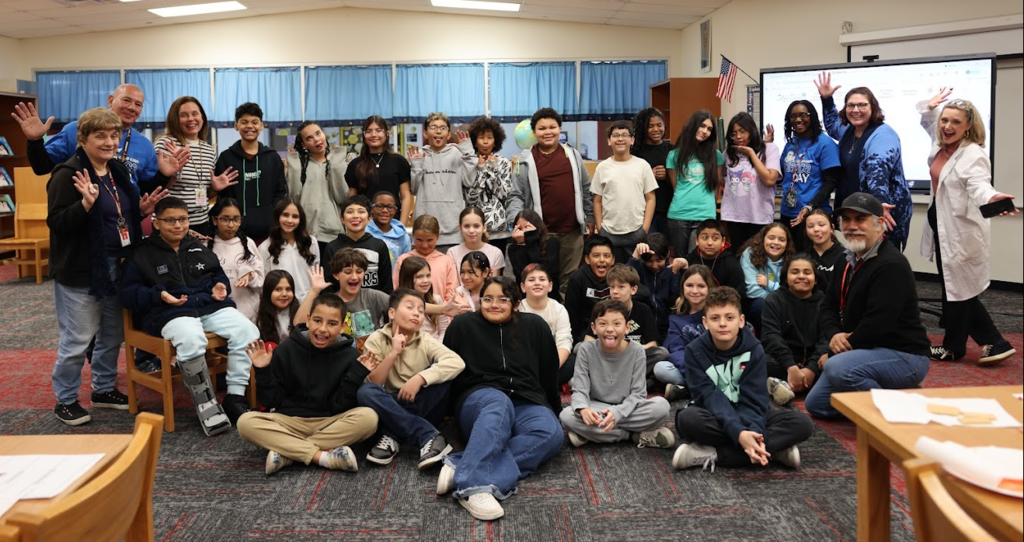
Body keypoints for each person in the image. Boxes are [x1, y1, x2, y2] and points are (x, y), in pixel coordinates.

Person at [47, 107, 167, 425]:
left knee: (113, 335)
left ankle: (102, 389)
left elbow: (118, 215)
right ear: (82, 139)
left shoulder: (116, 170)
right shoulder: (67, 173)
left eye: (114, 135)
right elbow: (57, 224)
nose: (109, 142)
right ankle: (66, 399)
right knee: (78, 338)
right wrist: (84, 205)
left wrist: (139, 209)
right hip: (82, 271)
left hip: (120, 265)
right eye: (100, 135)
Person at [120, 196, 260, 434]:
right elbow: (128, 294)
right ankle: (206, 402)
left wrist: (220, 287)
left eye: (183, 220)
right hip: (168, 313)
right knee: (192, 339)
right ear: (156, 223)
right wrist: (159, 295)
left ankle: (235, 397)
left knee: (248, 331)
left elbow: (217, 275)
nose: (178, 226)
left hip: (208, 307)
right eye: (170, 221)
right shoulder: (141, 254)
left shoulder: (197, 247)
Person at [439, 276, 563, 521]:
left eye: (503, 299)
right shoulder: (463, 325)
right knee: (498, 402)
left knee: (551, 433)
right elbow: (448, 370)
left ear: (516, 304)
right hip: (479, 400)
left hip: (525, 398)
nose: (494, 304)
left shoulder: (535, 326)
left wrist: (554, 410)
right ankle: (472, 487)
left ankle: (463, 464)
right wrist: (447, 415)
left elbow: (549, 372)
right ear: (479, 300)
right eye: (487, 299)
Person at [804, 192, 931, 419]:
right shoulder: (845, 259)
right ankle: (892, 394)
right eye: (847, 220)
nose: (852, 226)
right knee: (817, 404)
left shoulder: (891, 265)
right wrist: (834, 335)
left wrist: (837, 353)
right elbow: (828, 306)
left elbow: (877, 324)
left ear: (879, 224)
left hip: (904, 355)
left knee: (838, 368)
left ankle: (895, 413)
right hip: (863, 350)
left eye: (860, 219)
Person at [918, 90, 1018, 365]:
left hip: (960, 231)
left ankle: (990, 342)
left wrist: (992, 198)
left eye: (955, 123)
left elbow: (979, 185)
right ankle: (957, 346)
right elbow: (928, 124)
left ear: (968, 127)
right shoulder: (941, 144)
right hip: (941, 224)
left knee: (959, 290)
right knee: (955, 288)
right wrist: (930, 109)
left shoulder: (973, 155)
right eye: (944, 120)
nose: (947, 127)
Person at [672, 286, 813, 472]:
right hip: (714, 413)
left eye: (729, 317)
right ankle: (772, 451)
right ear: (705, 323)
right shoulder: (694, 351)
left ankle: (714, 454)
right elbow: (709, 397)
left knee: (802, 424)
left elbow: (754, 401)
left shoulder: (754, 348)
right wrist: (739, 433)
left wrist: (749, 431)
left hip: (751, 412)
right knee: (687, 420)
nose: (723, 323)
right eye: (715, 318)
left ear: (741, 321)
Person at [238, 294, 380, 475]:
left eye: (331, 323)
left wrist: (356, 375)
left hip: (330, 422)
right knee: (245, 423)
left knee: (369, 418)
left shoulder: (350, 357)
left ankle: (288, 451)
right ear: (308, 319)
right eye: (317, 320)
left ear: (343, 327)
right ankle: (322, 457)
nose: (322, 329)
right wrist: (262, 370)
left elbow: (340, 405)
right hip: (289, 421)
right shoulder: (287, 349)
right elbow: (271, 400)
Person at [357, 289, 465, 468]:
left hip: (421, 401)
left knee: (442, 376)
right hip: (391, 401)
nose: (417, 313)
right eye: (410, 307)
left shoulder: (425, 339)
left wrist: (420, 379)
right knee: (365, 392)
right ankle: (427, 435)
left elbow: (457, 362)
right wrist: (393, 354)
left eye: (421, 311)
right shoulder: (377, 339)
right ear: (392, 312)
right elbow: (373, 384)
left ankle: (392, 434)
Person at [15, 84, 186, 191]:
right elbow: (41, 167)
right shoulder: (77, 129)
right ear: (111, 100)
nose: (131, 107)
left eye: (138, 104)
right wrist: (35, 141)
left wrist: (164, 175)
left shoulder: (144, 145)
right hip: (81, 218)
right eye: (126, 100)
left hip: (123, 220)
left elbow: (144, 189)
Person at [560, 299, 674, 449]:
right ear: (593, 328)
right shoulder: (585, 349)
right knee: (566, 416)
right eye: (603, 324)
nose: (609, 329)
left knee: (661, 407)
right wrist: (583, 409)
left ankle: (593, 433)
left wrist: (617, 413)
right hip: (596, 406)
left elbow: (638, 395)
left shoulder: (637, 351)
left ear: (627, 327)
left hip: (628, 408)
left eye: (616, 323)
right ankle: (632, 435)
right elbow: (580, 390)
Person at [816, 74, 912, 251]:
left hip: (882, 210)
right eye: (851, 105)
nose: (856, 110)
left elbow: (878, 170)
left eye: (862, 105)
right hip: (856, 208)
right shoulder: (849, 130)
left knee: (880, 260)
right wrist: (827, 100)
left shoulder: (883, 134)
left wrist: (880, 201)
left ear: (873, 107)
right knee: (857, 256)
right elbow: (831, 125)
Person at [507, 107, 594, 298]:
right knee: (542, 279)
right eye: (542, 128)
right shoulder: (525, 160)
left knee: (569, 281)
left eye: (552, 127)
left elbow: (586, 188)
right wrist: (517, 220)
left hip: (572, 231)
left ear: (559, 128)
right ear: (534, 132)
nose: (548, 132)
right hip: (540, 235)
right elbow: (516, 195)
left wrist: (590, 217)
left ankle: (564, 323)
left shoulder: (572, 155)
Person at [155, 96, 238, 237]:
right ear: (175, 119)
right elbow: (157, 190)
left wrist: (214, 189)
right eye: (184, 115)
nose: (191, 119)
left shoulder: (208, 150)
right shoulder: (166, 144)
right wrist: (176, 171)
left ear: (202, 117)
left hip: (202, 221)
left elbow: (205, 192)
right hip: (173, 223)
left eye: (195, 113)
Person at [214, 102, 288, 241]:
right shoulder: (226, 158)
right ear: (236, 126)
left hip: (269, 232)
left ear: (262, 125)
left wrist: (272, 216)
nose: (249, 126)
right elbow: (222, 196)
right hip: (235, 232)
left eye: (255, 122)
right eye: (244, 122)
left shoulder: (272, 157)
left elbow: (280, 192)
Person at [761, 255, 829, 406]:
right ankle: (797, 384)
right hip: (782, 362)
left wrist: (811, 369)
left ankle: (787, 385)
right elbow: (771, 336)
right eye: (795, 272)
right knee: (755, 361)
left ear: (816, 279)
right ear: (785, 278)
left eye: (807, 272)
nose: (801, 276)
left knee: (835, 364)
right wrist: (791, 366)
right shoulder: (773, 300)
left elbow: (827, 338)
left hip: (815, 363)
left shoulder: (825, 302)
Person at [582, 264, 668, 382]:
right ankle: (630, 381)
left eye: (621, 287)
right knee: (580, 348)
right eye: (612, 287)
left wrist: (627, 348)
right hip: (606, 357)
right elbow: (588, 340)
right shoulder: (601, 307)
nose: (615, 292)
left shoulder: (643, 310)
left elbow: (652, 344)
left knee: (661, 353)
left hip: (631, 357)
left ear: (633, 289)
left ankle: (616, 380)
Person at [591, 120, 658, 263]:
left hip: (636, 231)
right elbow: (597, 200)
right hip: (609, 232)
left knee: (635, 273)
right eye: (615, 135)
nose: (620, 139)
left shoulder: (642, 165)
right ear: (609, 141)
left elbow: (650, 198)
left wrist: (644, 229)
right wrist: (600, 228)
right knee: (612, 275)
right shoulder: (602, 167)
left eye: (625, 135)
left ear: (632, 140)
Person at [296, 251, 390, 351]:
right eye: (348, 272)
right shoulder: (330, 303)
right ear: (336, 275)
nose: (354, 277)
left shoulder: (373, 296)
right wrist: (314, 290)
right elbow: (298, 324)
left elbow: (399, 308)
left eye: (359, 272)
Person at [779, 100, 841, 252]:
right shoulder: (791, 144)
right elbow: (782, 174)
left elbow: (831, 182)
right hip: (788, 213)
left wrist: (810, 206)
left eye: (803, 115)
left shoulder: (825, 144)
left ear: (812, 116)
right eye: (793, 116)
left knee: (809, 262)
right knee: (789, 260)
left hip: (813, 215)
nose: (798, 120)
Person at [408, 112, 474, 251]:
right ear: (425, 133)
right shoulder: (419, 154)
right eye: (433, 127)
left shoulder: (457, 153)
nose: (438, 131)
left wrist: (468, 154)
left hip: (453, 230)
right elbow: (413, 189)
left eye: (443, 128)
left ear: (449, 135)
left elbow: (469, 182)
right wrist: (416, 165)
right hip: (424, 232)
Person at [666, 110, 723, 258]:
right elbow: (676, 187)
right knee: (679, 261)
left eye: (709, 129)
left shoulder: (716, 155)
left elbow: (716, 185)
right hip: (679, 214)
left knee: (696, 262)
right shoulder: (674, 155)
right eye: (702, 126)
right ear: (693, 126)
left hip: (704, 215)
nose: (705, 131)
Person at [287, 121, 349, 256]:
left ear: (324, 134)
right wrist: (294, 166)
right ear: (303, 144)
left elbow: (342, 197)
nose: (316, 140)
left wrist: (336, 166)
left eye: (318, 134)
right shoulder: (299, 165)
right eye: (309, 138)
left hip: (334, 234)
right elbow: (293, 197)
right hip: (305, 233)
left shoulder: (337, 162)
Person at [721, 112, 780, 251]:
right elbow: (723, 180)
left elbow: (770, 180)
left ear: (752, 131)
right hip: (734, 216)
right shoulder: (728, 154)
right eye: (733, 134)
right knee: (738, 256)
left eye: (742, 131)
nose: (738, 137)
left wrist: (751, 153)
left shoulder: (770, 149)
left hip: (759, 216)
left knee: (757, 258)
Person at [656, 265, 715, 402]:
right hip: (690, 367)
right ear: (683, 288)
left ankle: (687, 389)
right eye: (689, 285)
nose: (695, 291)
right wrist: (694, 369)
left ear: (709, 288)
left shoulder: (717, 313)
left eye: (701, 286)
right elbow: (675, 350)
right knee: (661, 369)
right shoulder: (676, 318)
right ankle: (705, 385)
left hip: (716, 364)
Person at [346, 115, 413, 223]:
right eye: (369, 131)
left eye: (378, 130)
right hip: (365, 224)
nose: (374, 135)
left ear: (386, 134)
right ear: (363, 135)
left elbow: (405, 196)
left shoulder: (399, 161)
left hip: (393, 223)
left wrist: (402, 226)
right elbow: (352, 198)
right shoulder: (355, 164)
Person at [323, 195, 393, 295]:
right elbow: (328, 286)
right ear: (342, 218)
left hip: (373, 305)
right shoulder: (332, 247)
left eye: (361, 211)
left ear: (369, 218)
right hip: (341, 305)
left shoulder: (379, 245)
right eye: (350, 212)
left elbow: (386, 285)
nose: (355, 216)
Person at [208, 197, 264, 321]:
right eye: (225, 219)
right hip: (219, 314)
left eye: (236, 219)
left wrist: (250, 275)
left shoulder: (248, 244)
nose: (231, 225)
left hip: (249, 314)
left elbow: (261, 284)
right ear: (214, 220)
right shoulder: (206, 246)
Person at [517, 264, 573, 384]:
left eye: (542, 279)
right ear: (523, 287)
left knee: (573, 361)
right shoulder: (517, 310)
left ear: (550, 286)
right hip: (525, 363)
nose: (537, 283)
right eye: (531, 280)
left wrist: (550, 368)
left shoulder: (559, 309)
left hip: (552, 362)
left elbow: (564, 342)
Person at [465, 116, 513, 254]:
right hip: (474, 229)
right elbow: (470, 198)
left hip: (499, 230)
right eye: (481, 137)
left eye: (490, 137)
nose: (485, 142)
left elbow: (504, 194)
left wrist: (489, 169)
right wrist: (481, 168)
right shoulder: (469, 163)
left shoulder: (503, 162)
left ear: (496, 140)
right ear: (474, 141)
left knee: (497, 272)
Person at [258, 198, 320, 304]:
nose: (290, 221)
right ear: (277, 217)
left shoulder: (311, 242)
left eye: (295, 216)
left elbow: (316, 276)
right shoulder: (265, 248)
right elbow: (264, 284)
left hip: (307, 302)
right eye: (285, 215)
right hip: (279, 305)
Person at [738, 222, 795, 334]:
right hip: (758, 303)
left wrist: (769, 285)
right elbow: (752, 290)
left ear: (787, 243)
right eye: (771, 238)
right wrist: (778, 298)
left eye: (781, 240)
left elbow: (792, 291)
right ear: (763, 239)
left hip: (784, 302)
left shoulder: (791, 259)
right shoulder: (750, 254)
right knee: (761, 306)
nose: (776, 243)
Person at [397, 256, 466, 341]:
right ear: (407, 279)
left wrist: (438, 347)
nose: (426, 280)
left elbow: (444, 329)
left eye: (428, 276)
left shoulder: (436, 299)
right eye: (419, 277)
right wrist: (443, 309)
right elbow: (417, 305)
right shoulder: (399, 301)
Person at [628, 232, 682, 341]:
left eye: (659, 260)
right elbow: (623, 280)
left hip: (667, 328)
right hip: (643, 328)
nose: (654, 265)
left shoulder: (672, 271)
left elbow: (677, 296)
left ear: (667, 254)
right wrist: (635, 256)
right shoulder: (639, 269)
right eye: (649, 261)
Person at [393, 215, 460, 302]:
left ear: (438, 236)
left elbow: (452, 294)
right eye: (419, 240)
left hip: (440, 313)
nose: (424, 245)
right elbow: (397, 290)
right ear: (412, 235)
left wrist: (442, 312)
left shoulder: (447, 262)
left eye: (429, 240)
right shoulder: (403, 260)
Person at [630, 107, 673, 235]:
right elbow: (629, 181)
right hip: (644, 211)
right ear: (643, 128)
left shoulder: (672, 149)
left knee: (667, 248)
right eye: (650, 126)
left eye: (659, 125)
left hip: (668, 208)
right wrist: (649, 175)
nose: (656, 129)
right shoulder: (635, 151)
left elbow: (681, 180)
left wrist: (667, 175)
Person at [564, 236, 614, 344]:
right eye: (596, 256)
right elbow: (572, 316)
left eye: (606, 256)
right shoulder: (577, 279)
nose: (602, 260)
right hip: (586, 333)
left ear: (613, 259)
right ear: (587, 259)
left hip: (614, 330)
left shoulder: (618, 277)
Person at [682, 219, 747, 301]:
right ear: (697, 240)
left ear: (723, 241)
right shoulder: (689, 261)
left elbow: (739, 294)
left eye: (715, 238)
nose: (709, 243)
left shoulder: (731, 264)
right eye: (705, 238)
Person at [507, 209, 562, 301]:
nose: (523, 232)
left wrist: (531, 240)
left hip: (549, 294)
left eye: (527, 228)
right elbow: (521, 272)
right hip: (525, 295)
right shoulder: (513, 248)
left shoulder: (552, 243)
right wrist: (522, 245)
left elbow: (543, 269)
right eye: (520, 229)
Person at [446, 206, 505, 277]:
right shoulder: (452, 253)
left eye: (476, 226)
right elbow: (452, 283)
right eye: (466, 226)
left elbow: (495, 285)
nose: (471, 231)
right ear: (460, 228)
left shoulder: (496, 253)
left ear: (484, 228)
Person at [804, 208, 843, 292]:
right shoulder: (804, 257)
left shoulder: (844, 256)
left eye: (821, 225)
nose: (816, 229)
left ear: (832, 228)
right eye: (810, 226)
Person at [255, 269, 299, 345]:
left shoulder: (300, 312)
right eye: (278, 289)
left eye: (288, 289)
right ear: (268, 292)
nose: (284, 294)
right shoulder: (258, 314)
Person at [366, 191, 410, 265]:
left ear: (395, 210)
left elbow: (407, 264)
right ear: (371, 209)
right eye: (380, 206)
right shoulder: (364, 232)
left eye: (390, 207)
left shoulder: (403, 236)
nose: (385, 210)